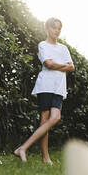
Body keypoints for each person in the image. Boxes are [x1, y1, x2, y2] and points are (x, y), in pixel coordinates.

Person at [14, 17, 75, 164]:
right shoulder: (43, 45)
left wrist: (56, 64)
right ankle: (45, 157)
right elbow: (48, 64)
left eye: (59, 28)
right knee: (44, 120)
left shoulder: (64, 48)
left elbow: (72, 67)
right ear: (46, 29)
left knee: (55, 117)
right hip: (46, 85)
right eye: (54, 27)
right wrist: (62, 66)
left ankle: (23, 147)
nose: (57, 31)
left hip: (59, 88)